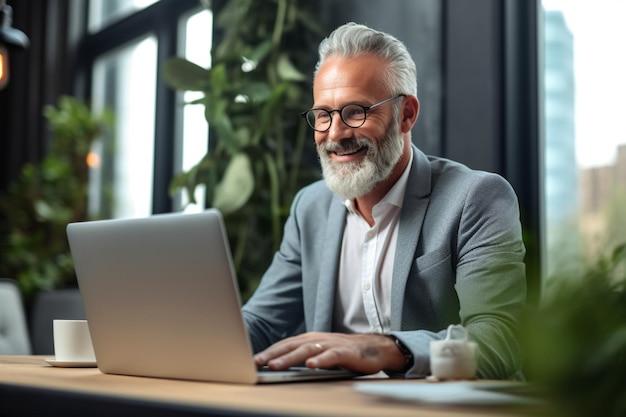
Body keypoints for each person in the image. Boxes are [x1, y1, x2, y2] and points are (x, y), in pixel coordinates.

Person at [243, 22, 526, 380]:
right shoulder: (309, 208)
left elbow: (500, 341)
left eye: (356, 112)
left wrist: (384, 348)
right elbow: (261, 323)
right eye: (323, 115)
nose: (334, 133)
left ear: (406, 114)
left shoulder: (476, 197)